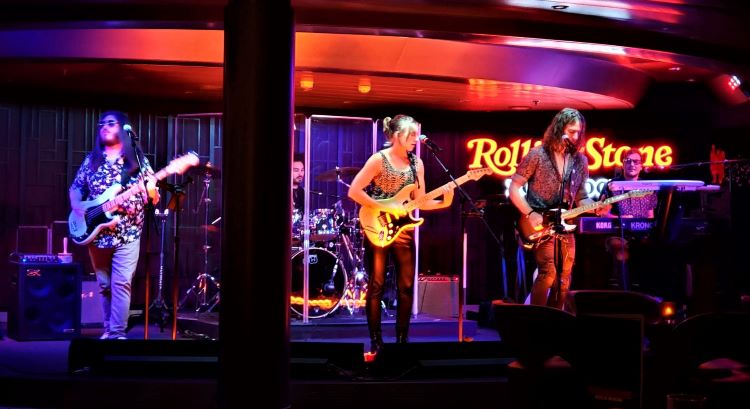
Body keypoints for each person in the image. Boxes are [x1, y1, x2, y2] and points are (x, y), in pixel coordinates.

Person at [348, 114, 454, 355]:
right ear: (397, 136)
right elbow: (354, 191)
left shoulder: (418, 164)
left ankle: (402, 340)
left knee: (406, 286)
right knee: (376, 284)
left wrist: (444, 201)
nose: (416, 138)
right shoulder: (378, 160)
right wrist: (387, 207)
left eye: (417, 134)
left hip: (403, 231)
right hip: (378, 227)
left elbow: (420, 201)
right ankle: (375, 340)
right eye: (412, 134)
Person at [69, 111, 159, 340]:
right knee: (104, 285)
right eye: (102, 123)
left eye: (111, 123)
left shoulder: (137, 161)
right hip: (97, 233)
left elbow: (153, 198)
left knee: (121, 284)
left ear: (124, 128)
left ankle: (117, 334)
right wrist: (77, 205)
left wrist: (151, 191)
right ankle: (109, 330)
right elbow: (76, 187)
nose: (105, 126)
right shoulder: (92, 160)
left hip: (128, 232)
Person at [509, 107, 595, 309]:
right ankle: (536, 321)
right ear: (559, 128)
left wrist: (595, 208)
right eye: (571, 131)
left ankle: (556, 322)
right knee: (548, 273)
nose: (575, 136)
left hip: (566, 225)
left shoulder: (580, 161)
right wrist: (530, 213)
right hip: (539, 224)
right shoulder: (538, 154)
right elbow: (514, 188)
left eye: (578, 132)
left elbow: (581, 197)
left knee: (564, 279)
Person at [599, 149, 658, 288]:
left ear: (641, 165)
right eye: (628, 161)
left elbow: (651, 215)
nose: (632, 164)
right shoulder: (611, 186)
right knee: (620, 249)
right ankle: (625, 293)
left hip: (643, 234)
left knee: (656, 249)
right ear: (622, 164)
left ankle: (648, 293)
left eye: (636, 161)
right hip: (618, 234)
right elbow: (601, 213)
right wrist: (621, 218)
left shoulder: (648, 187)